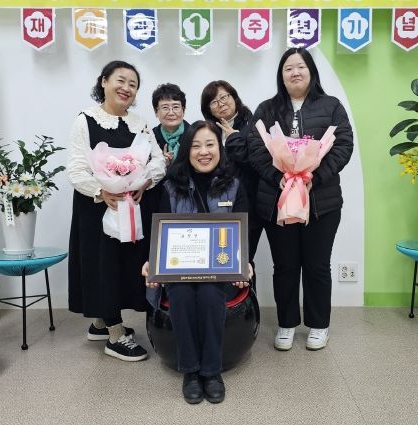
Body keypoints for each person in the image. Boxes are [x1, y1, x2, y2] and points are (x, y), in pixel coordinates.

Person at [248, 47, 354, 351]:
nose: (295, 72)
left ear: (311, 72)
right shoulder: (267, 109)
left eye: (301, 67)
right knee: (285, 266)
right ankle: (287, 323)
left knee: (317, 265)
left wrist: (313, 178)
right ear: (281, 76)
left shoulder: (331, 106)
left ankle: (319, 325)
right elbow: (256, 147)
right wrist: (276, 177)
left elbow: (343, 146)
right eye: (288, 68)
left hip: (321, 202)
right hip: (278, 201)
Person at [142, 120, 252, 404]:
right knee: (180, 294)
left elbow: (242, 235)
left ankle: (211, 372)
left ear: (220, 148)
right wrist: (152, 262)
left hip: (220, 270)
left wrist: (245, 262)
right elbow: (161, 235)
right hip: (181, 271)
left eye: (210, 144)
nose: (204, 152)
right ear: (187, 151)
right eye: (196, 146)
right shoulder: (171, 187)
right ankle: (190, 371)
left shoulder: (234, 186)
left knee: (209, 292)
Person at [66, 60, 165, 361]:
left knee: (124, 265)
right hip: (97, 208)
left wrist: (146, 181)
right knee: (103, 265)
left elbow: (157, 160)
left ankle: (100, 323)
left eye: (133, 84)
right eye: (120, 80)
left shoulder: (140, 124)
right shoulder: (85, 120)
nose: (126, 88)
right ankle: (114, 335)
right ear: (104, 82)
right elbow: (76, 168)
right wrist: (102, 191)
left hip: (131, 206)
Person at [200, 81, 263, 274]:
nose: (220, 103)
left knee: (243, 260)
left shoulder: (254, 125)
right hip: (215, 204)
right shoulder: (208, 131)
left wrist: (234, 139)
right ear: (208, 109)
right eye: (213, 102)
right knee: (217, 259)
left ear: (234, 97)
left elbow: (257, 164)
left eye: (224, 97)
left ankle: (246, 295)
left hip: (248, 204)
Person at [151, 83, 190, 167]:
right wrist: (160, 163)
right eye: (165, 108)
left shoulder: (195, 133)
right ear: (156, 112)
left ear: (183, 110)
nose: (171, 113)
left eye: (176, 107)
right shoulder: (150, 137)